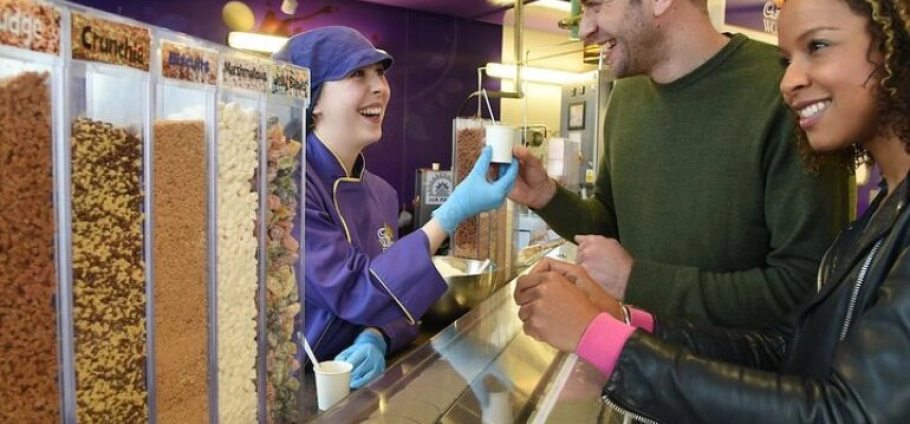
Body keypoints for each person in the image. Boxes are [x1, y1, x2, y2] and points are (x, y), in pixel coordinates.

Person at [515, 0, 910, 420]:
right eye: (786, 58)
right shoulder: (881, 213)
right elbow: (790, 348)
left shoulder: (776, 105)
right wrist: (623, 319)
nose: (789, 80)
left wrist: (607, 332)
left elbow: (838, 404)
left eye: (817, 46)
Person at [508, 0, 852, 327]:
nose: (585, 28)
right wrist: (546, 197)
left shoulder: (786, 92)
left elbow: (804, 286)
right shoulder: (626, 97)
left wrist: (638, 281)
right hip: (634, 364)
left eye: (596, 5)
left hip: (736, 382)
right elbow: (611, 224)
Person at [273, 26, 518, 388]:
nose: (380, 88)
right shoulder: (286, 188)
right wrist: (449, 214)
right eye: (357, 74)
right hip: (295, 383)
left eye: (380, 73)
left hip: (356, 383)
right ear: (313, 98)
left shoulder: (382, 193)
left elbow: (401, 298)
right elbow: (358, 288)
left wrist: (377, 336)